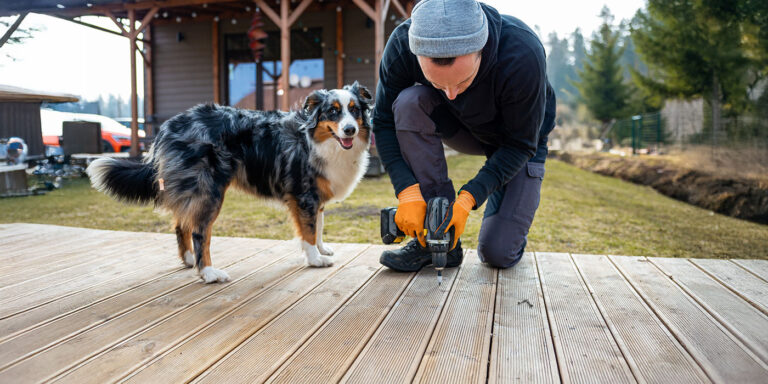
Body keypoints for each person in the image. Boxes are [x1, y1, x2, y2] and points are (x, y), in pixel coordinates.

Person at [374, 0, 556, 271]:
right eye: (437, 84)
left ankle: (507, 216)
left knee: (498, 253)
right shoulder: (403, 44)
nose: (450, 94)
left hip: (515, 142)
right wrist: (408, 192)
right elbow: (383, 122)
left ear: (481, 50)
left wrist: (469, 196)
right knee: (410, 102)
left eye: (462, 82)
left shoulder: (522, 53)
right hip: (458, 126)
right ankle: (439, 242)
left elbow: (520, 144)